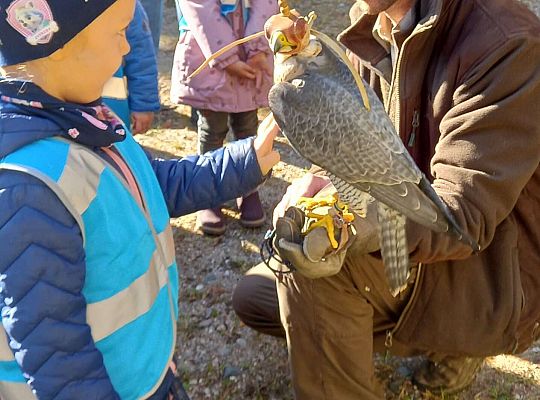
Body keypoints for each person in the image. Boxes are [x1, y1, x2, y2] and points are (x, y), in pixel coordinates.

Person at [232, 0, 540, 398]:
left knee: (317, 268)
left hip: (487, 276)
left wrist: (346, 223)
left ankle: (461, 338)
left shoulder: (506, 41)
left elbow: (461, 214)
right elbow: (356, 149)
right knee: (257, 294)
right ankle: (438, 340)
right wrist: (315, 185)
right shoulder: (373, 22)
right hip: (416, 248)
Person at [0, 0, 279, 398]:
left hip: (147, 371)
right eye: (119, 33)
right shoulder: (27, 189)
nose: (127, 49)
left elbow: (151, 184)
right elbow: (58, 357)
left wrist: (247, 159)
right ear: (59, 43)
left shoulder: (87, 122)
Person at [171, 0, 278, 236]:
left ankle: (248, 186)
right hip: (209, 54)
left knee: (247, 126)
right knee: (212, 129)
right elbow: (199, 8)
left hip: (251, 54)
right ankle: (209, 192)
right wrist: (227, 57)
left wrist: (258, 48)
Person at [103, 0, 160, 134]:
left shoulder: (125, 5)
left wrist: (143, 105)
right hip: (61, 112)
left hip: (113, 114)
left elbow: (141, 57)